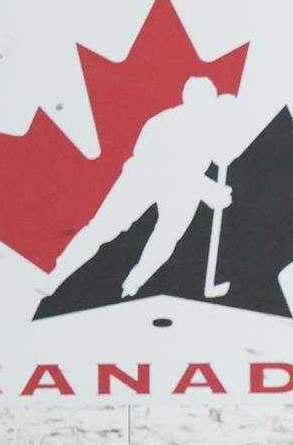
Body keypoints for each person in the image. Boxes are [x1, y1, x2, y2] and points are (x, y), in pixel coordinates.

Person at [44, 77, 243, 298]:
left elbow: (223, 157)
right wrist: (207, 189)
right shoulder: (163, 122)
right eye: (198, 97)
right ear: (187, 97)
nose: (202, 104)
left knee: (167, 236)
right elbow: (163, 165)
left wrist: (230, 126)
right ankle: (55, 277)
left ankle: (133, 284)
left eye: (207, 98)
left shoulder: (211, 129)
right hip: (142, 180)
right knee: (101, 229)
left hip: (183, 189)